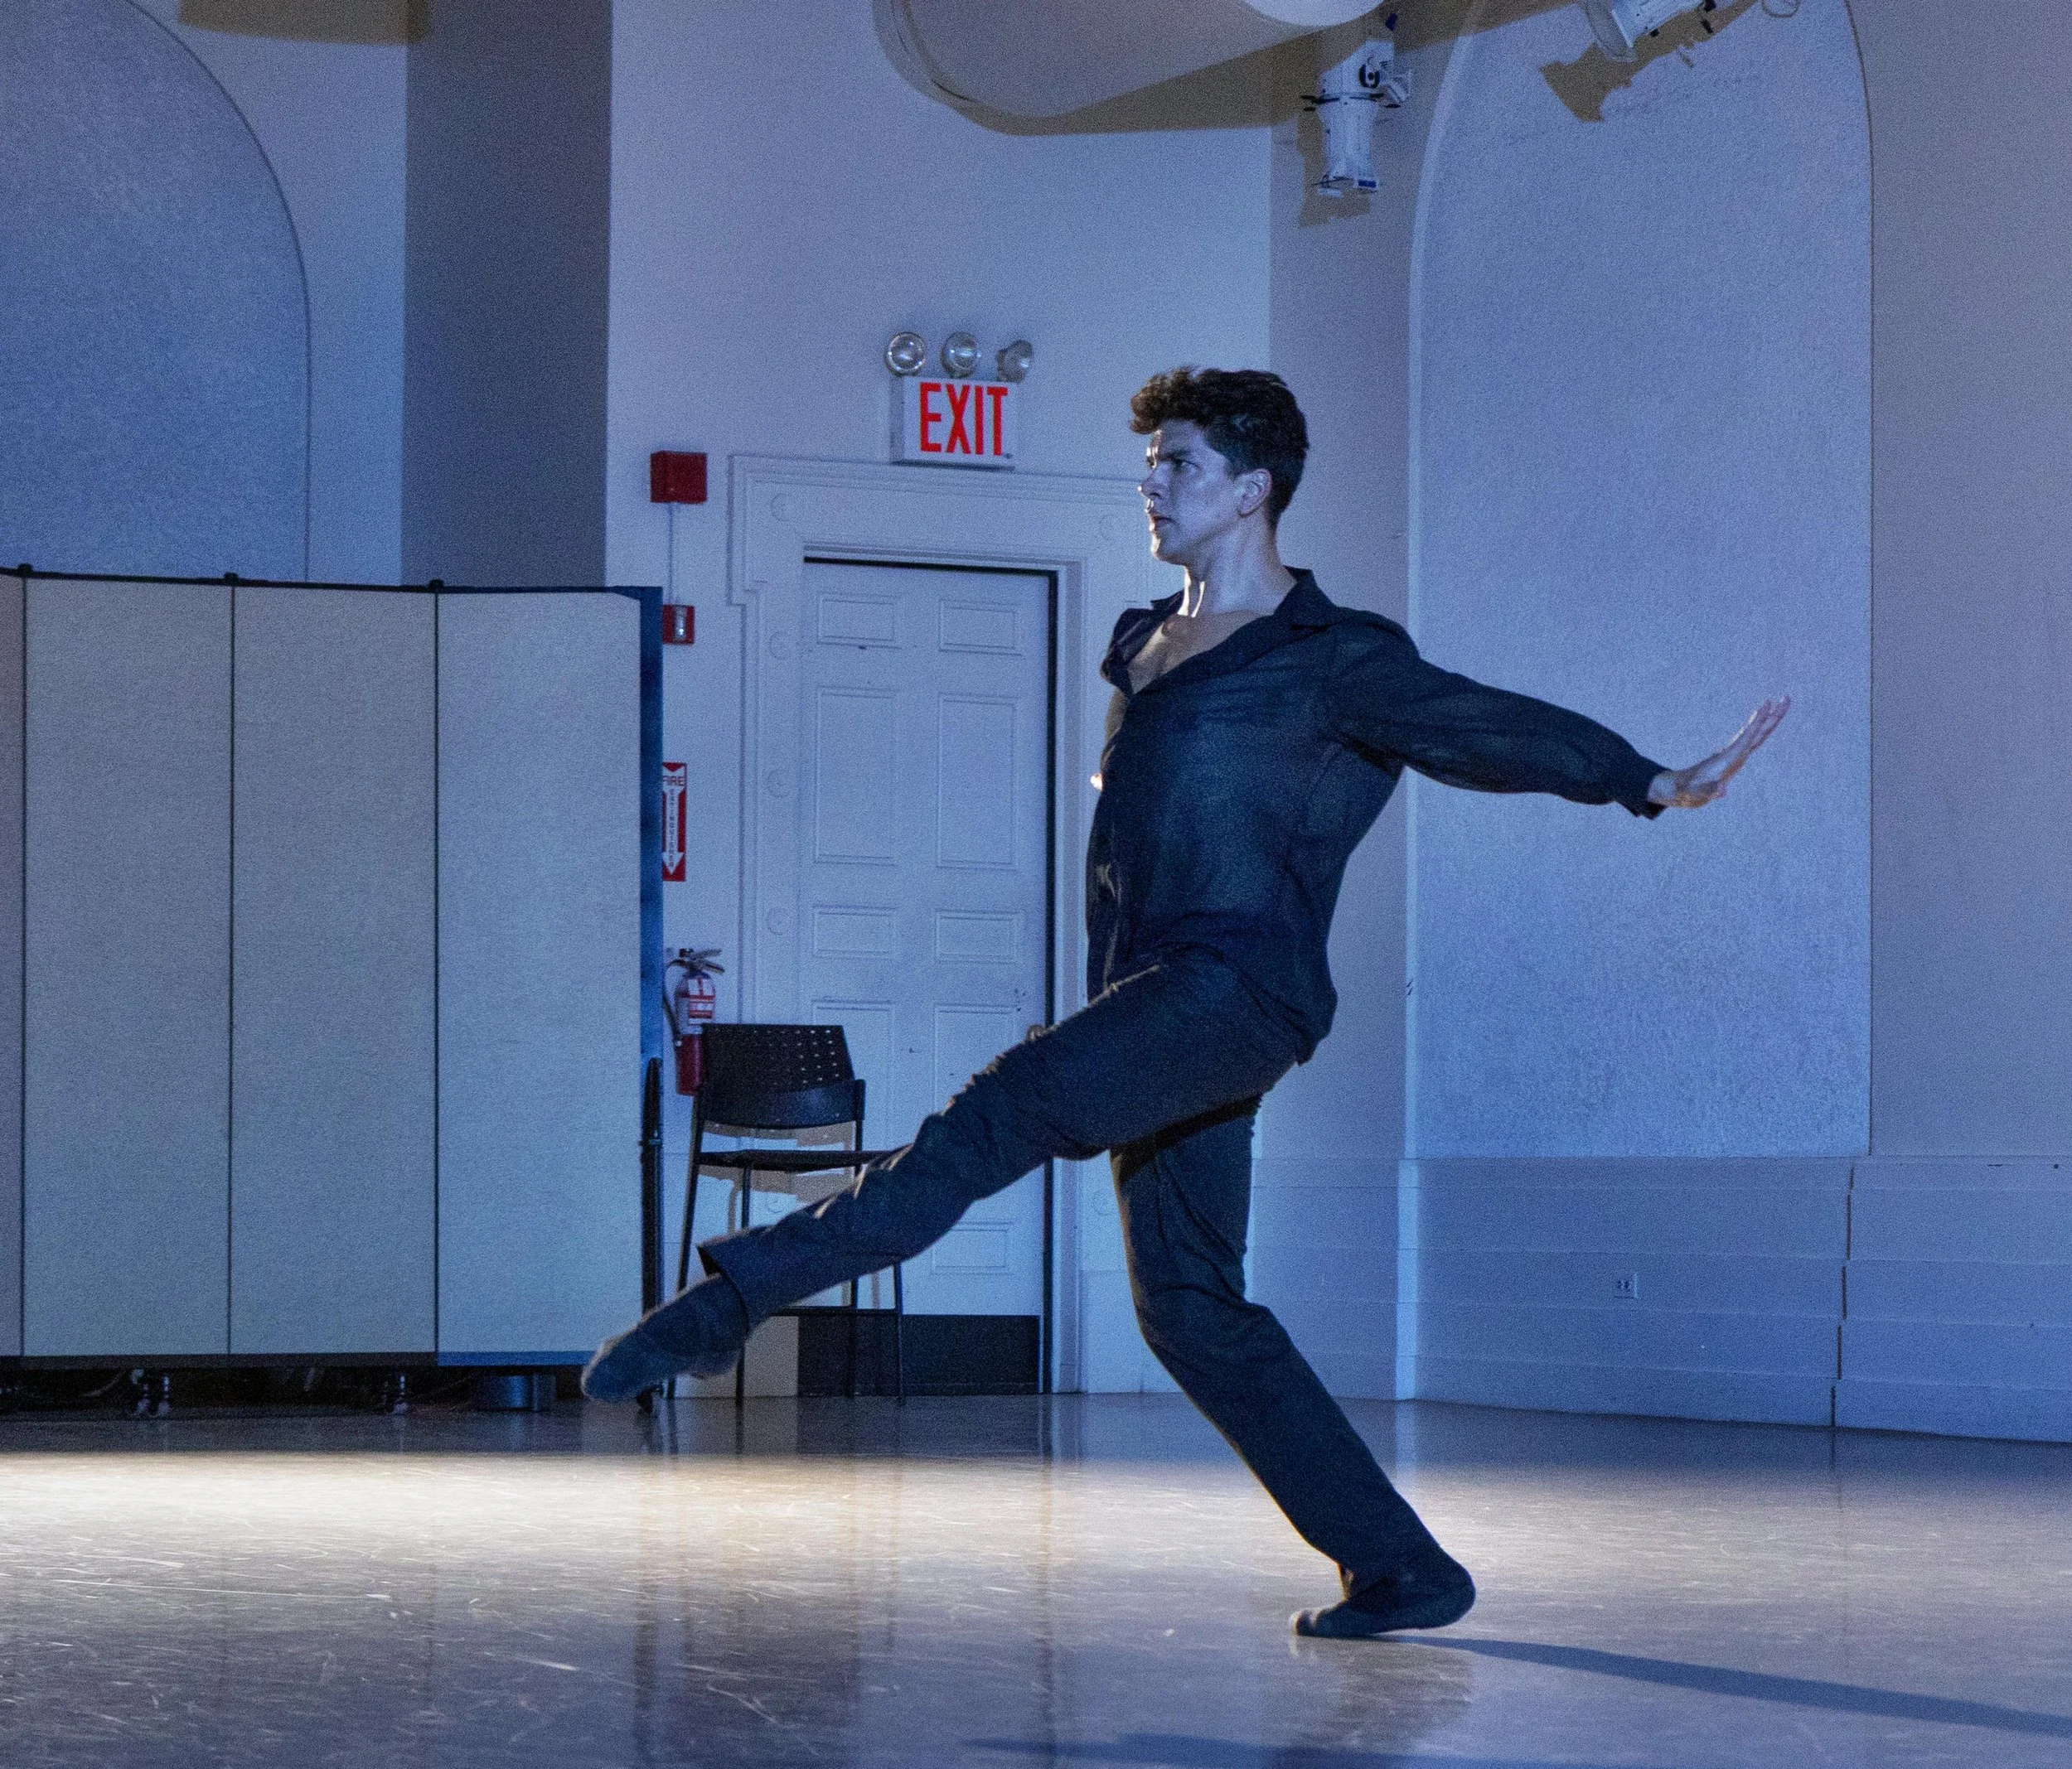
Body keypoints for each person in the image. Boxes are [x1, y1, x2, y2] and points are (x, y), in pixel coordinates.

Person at [584, 367, 1787, 1640]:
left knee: (996, 1113)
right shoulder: (1142, 645)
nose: (1151, 483)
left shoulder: (1333, 660)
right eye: (1149, 462)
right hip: (1153, 1001)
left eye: (1179, 465)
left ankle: (726, 1306)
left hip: (1240, 991)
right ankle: (1403, 1567)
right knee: (1192, 1312)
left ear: (1255, 488)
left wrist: (1644, 779)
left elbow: (1482, 726)